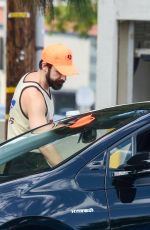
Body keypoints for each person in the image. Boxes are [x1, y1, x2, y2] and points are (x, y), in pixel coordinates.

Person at [7, 43, 78, 166]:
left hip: (25, 159)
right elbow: (43, 144)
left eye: (66, 73)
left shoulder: (36, 79)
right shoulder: (34, 96)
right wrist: (66, 170)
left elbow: (40, 128)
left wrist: (63, 125)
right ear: (45, 66)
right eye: (59, 72)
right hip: (24, 163)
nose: (63, 78)